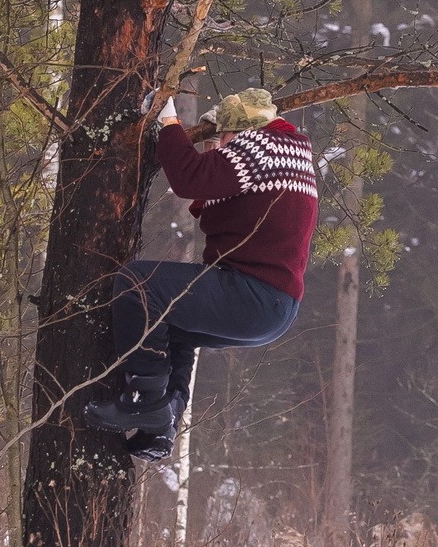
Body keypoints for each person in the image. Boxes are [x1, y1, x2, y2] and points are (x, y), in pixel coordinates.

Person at [83, 86, 319, 458]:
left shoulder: (261, 146)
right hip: (274, 307)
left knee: (138, 284)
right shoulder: (291, 153)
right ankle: (164, 420)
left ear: (237, 131)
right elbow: (217, 203)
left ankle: (144, 399)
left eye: (221, 138)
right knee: (172, 327)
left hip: (250, 294)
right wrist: (213, 144)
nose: (219, 147)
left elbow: (190, 179)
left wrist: (168, 121)